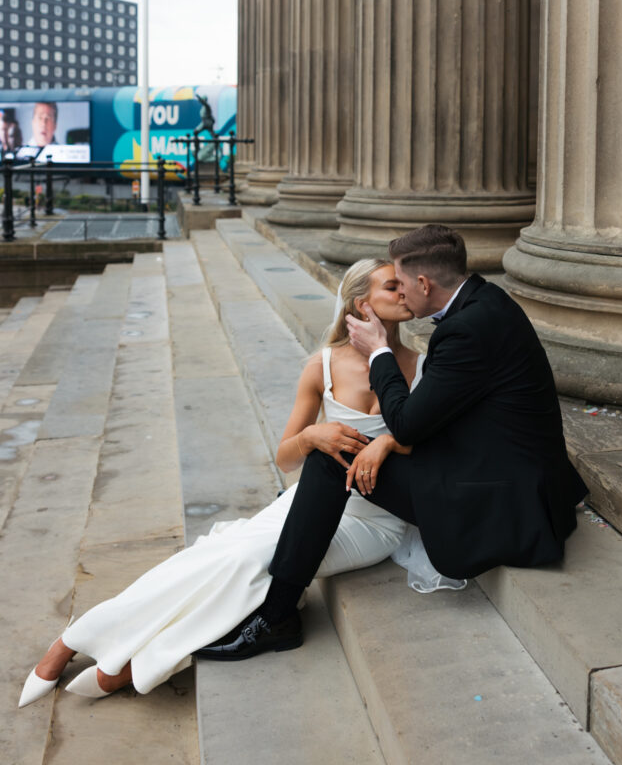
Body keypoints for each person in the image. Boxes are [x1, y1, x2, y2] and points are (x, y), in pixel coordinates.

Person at [19, 258, 458, 706]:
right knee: (222, 553)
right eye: (393, 287)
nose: (406, 293)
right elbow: (286, 459)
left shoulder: (424, 370)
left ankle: (130, 663)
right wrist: (309, 436)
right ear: (362, 304)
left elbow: (433, 452)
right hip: (310, 498)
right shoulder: (321, 367)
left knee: (250, 557)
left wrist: (387, 445)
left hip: (373, 521)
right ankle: (77, 638)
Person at [208, 224, 588, 661]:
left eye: (402, 285)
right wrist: (385, 440)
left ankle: (276, 616)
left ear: (424, 283)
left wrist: (379, 354)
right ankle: (277, 608)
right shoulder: (487, 302)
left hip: (504, 503)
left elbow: (407, 424)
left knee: (331, 461)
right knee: (334, 455)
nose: (402, 295)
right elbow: (437, 419)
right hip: (498, 467)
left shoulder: (463, 332)